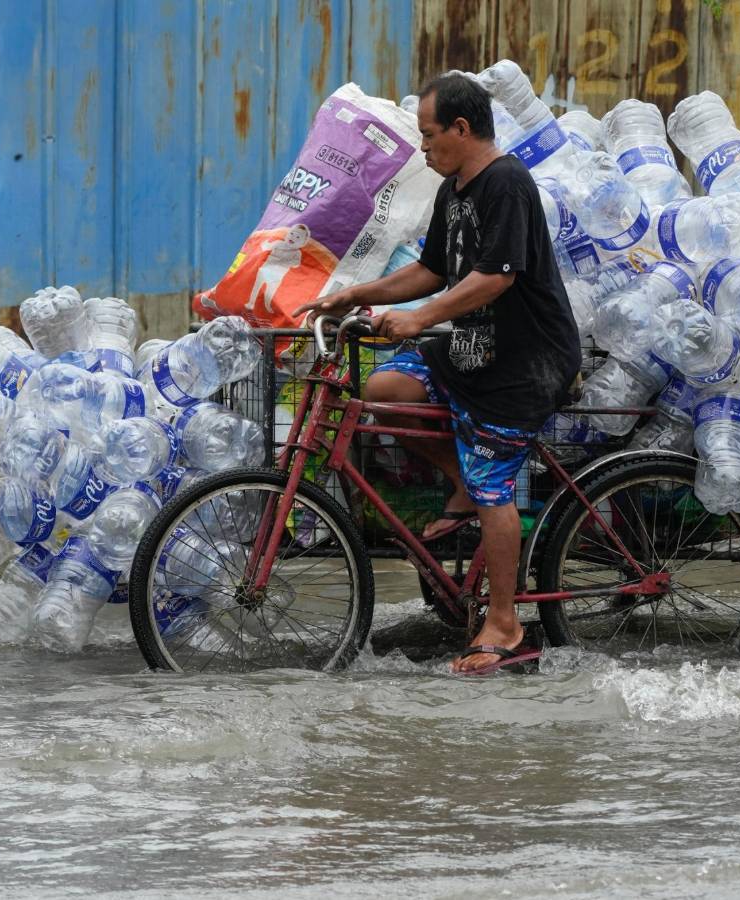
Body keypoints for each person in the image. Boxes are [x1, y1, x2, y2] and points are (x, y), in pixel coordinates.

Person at [294, 72, 581, 674]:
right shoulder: (453, 192)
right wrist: (355, 295)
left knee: (494, 486)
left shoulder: (506, 182)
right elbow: (429, 270)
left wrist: (421, 318)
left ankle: (504, 623)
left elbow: (497, 276)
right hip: (474, 350)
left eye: (428, 135)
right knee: (384, 390)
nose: (423, 146)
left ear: (462, 128)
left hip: (525, 361)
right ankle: (464, 486)